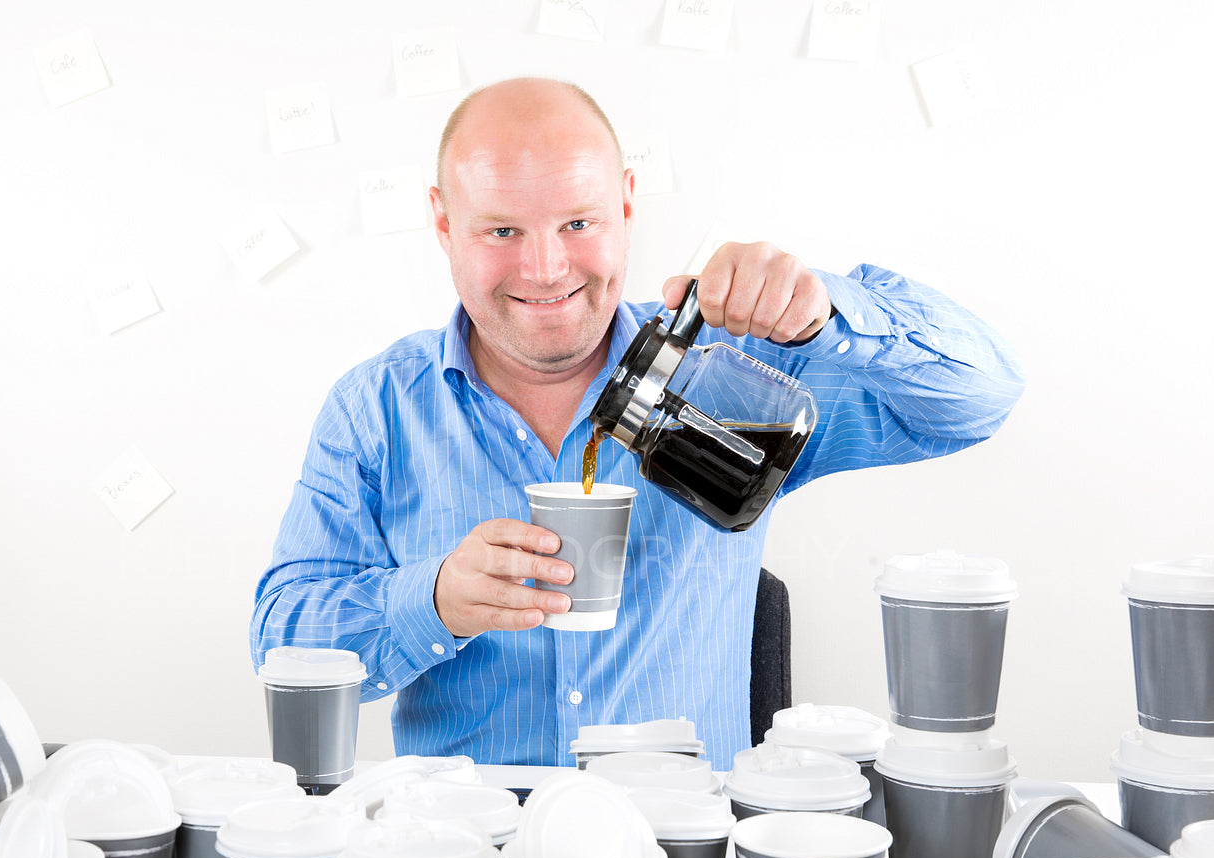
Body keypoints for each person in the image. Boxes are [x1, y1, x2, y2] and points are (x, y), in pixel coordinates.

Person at [249, 77, 1025, 768]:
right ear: (444, 223)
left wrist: (827, 313)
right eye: (502, 231)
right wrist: (436, 599)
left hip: (681, 852)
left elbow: (980, 396)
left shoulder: (733, 368)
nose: (547, 268)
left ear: (625, 202)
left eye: (579, 223)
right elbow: (280, 641)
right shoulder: (378, 409)